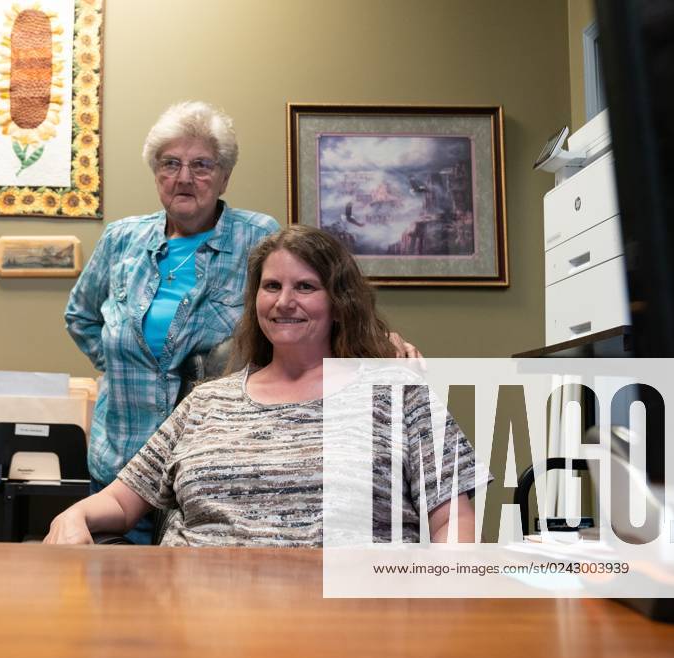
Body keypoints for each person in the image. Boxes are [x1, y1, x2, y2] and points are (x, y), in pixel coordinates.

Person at [64, 102, 420, 545]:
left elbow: (303, 299)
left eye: (201, 165)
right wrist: (128, 366)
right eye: (170, 163)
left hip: (218, 463)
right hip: (121, 456)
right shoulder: (121, 239)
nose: (184, 177)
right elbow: (80, 316)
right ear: (156, 172)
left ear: (224, 176)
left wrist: (380, 343)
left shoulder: (255, 235)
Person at [46, 226, 486, 547]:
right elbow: (121, 503)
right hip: (195, 617)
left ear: (339, 303)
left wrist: (441, 594)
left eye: (305, 287)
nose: (284, 302)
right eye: (271, 286)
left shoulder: (399, 393)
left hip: (354, 621)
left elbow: (453, 522)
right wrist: (74, 516)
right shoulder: (206, 401)